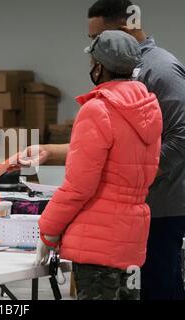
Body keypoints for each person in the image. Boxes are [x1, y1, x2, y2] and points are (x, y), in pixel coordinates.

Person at [19, 0, 185, 301]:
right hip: (132, 231)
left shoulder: (156, 72)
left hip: (135, 225)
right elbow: (111, 151)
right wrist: (50, 150)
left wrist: (48, 231)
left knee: (162, 290)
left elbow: (80, 185)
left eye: (96, 40)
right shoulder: (144, 103)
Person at [37, 30, 162, 300]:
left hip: (96, 244)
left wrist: (48, 230)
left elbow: (78, 187)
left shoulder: (97, 110)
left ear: (100, 66)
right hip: (133, 241)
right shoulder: (150, 109)